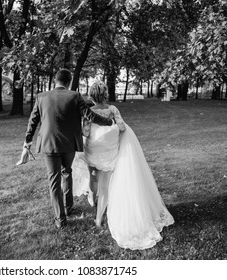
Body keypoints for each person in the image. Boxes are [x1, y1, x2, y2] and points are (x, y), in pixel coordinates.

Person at [73, 80, 174, 250]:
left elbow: (85, 132)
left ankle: (92, 196)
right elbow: (121, 127)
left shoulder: (88, 111)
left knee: (93, 176)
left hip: (92, 149)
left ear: (91, 96)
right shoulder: (113, 110)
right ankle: (98, 218)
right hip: (108, 151)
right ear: (105, 94)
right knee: (105, 186)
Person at [17, 69, 114, 229]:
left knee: (54, 180)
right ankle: (68, 208)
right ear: (69, 82)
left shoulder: (41, 97)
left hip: (49, 144)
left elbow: (33, 121)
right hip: (69, 143)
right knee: (66, 172)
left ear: (56, 80)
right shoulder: (74, 96)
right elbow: (89, 115)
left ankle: (60, 220)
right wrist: (108, 122)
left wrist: (27, 142)